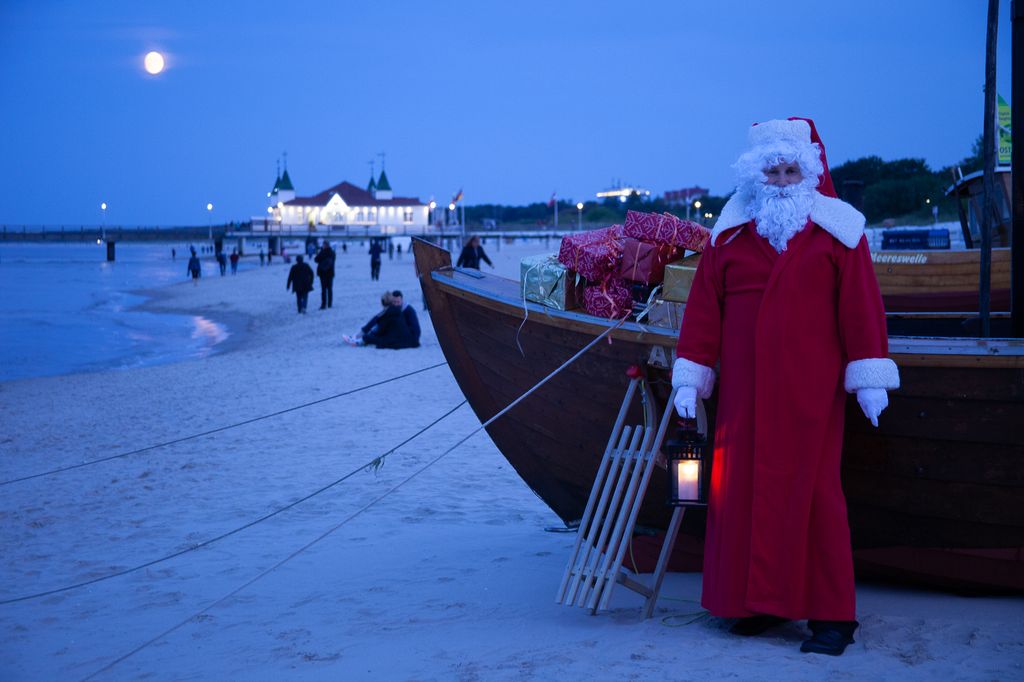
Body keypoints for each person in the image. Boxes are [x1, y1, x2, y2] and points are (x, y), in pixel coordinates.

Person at [671, 118, 899, 656]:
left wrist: (869, 376)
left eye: (789, 169)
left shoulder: (839, 233)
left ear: (808, 172)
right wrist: (692, 373)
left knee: (817, 497)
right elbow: (704, 313)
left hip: (810, 394)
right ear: (755, 176)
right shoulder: (728, 238)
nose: (779, 178)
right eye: (770, 170)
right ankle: (756, 605)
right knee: (741, 495)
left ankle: (832, 619)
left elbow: (862, 309)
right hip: (745, 398)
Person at [342, 292, 417, 349]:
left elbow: (380, 329)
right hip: (405, 339)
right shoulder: (395, 311)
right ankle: (357, 337)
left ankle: (358, 340)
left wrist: (367, 336)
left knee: (372, 338)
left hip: (399, 341)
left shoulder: (389, 313)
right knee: (374, 329)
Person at [314, 241, 336, 309]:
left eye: (323, 245)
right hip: (327, 273)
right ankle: (328, 304)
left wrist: (321, 253)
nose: (323, 246)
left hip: (325, 273)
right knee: (327, 289)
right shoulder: (331, 252)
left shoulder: (328, 252)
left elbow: (317, 259)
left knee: (325, 289)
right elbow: (316, 260)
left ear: (326, 245)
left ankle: (325, 304)